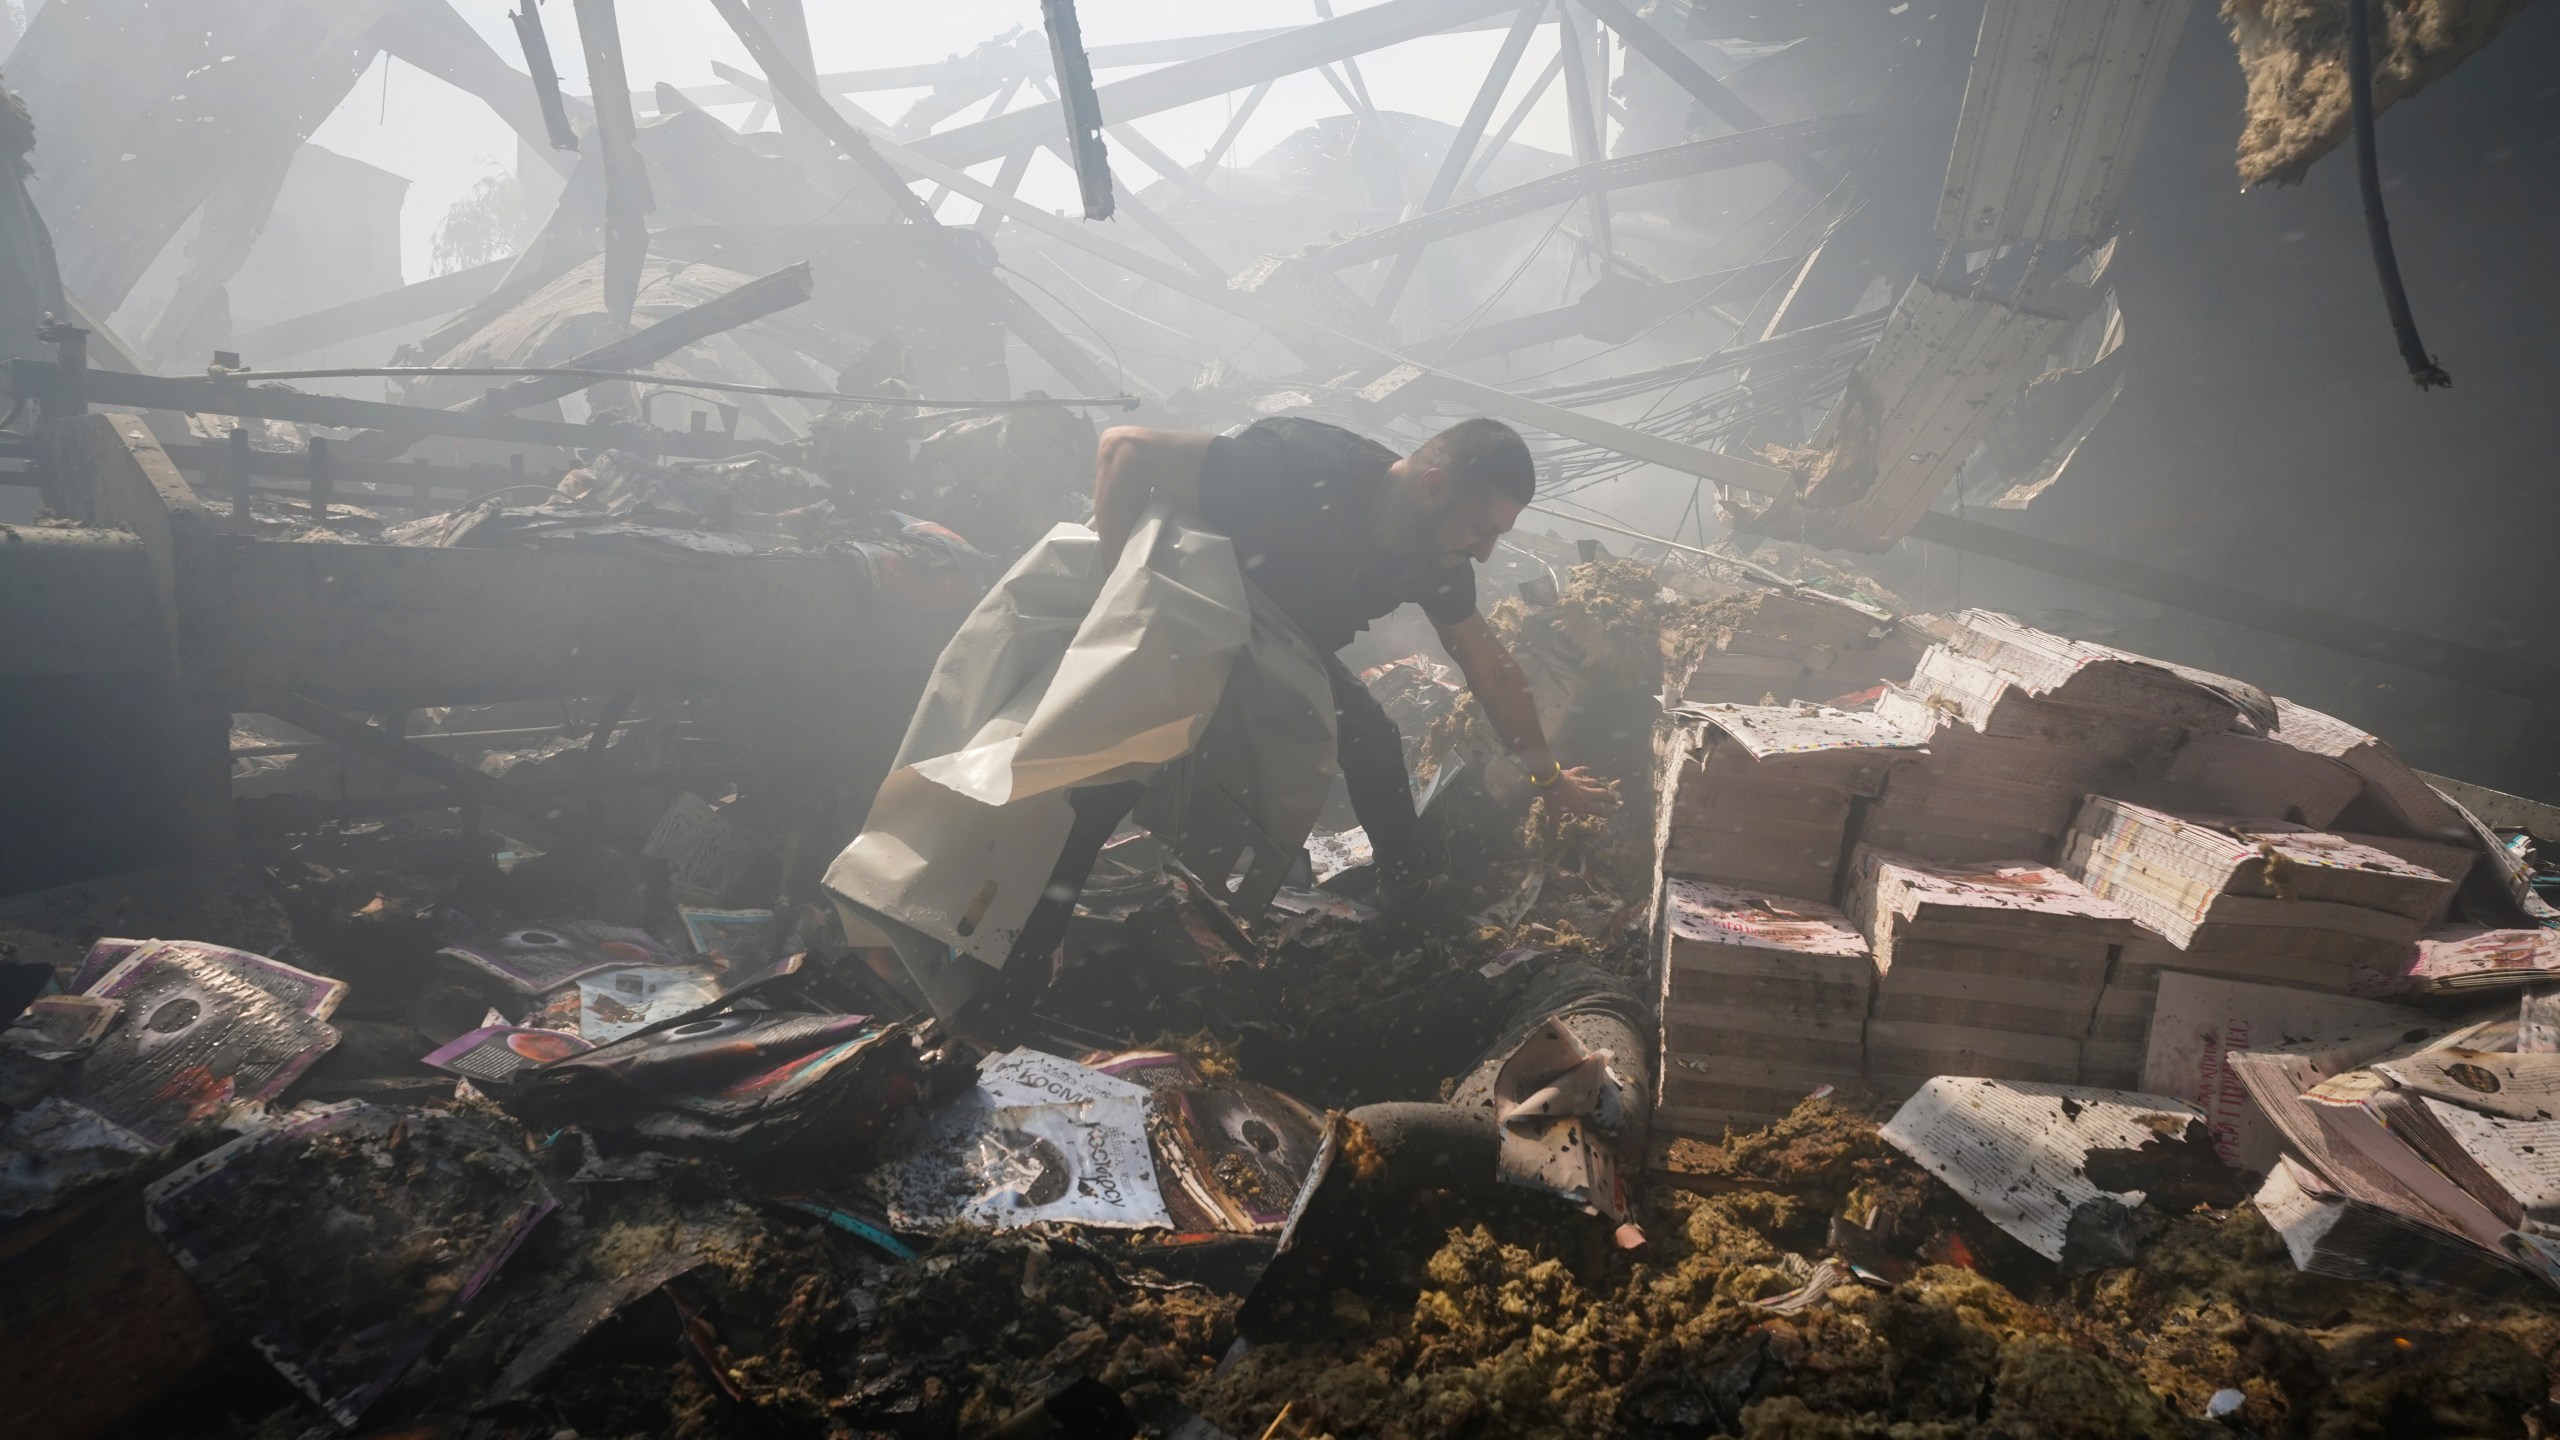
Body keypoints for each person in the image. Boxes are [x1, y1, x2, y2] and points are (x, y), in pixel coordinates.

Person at [1090, 414, 1616, 908]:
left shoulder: (1438, 559)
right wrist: (1122, 609)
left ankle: (1405, 893)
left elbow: (1492, 669)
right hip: (1191, 623)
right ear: (1433, 486)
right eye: (1481, 528)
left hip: (1287, 649)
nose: (1484, 553)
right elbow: (1124, 448)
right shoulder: (1291, 469)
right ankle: (1075, 870)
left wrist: (1549, 779)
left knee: (1372, 742)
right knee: (1133, 770)